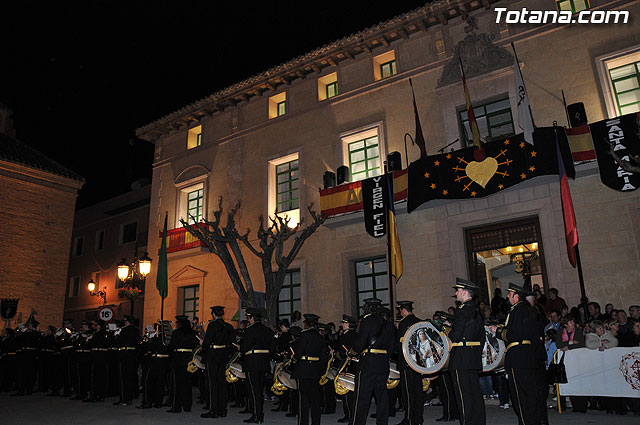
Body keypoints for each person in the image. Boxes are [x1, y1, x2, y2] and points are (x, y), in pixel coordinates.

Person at [491, 283, 537, 425]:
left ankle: (525, 422)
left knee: (519, 394)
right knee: (528, 393)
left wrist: (497, 331)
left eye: (510, 294)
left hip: (518, 355)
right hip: (526, 355)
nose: (507, 297)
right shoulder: (528, 310)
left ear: (516, 296)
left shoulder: (517, 310)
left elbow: (514, 334)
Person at [349, 297, 395, 425]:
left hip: (368, 362)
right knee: (382, 395)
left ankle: (357, 423)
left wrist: (351, 352)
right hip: (383, 363)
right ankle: (382, 422)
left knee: (362, 396)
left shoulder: (367, 321)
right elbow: (392, 346)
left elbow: (361, 342)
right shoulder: (388, 323)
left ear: (368, 308)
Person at [449, 278, 486, 425]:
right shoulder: (477, 311)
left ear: (464, 292)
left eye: (457, 290)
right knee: (475, 394)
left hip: (460, 358)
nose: (456, 293)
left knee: (463, 397)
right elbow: (482, 337)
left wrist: (447, 330)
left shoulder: (462, 311)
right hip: (473, 356)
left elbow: (456, 335)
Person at [291, 313, 329, 425]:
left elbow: (298, 353)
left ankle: (303, 423)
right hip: (315, 370)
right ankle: (316, 422)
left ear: (306, 323)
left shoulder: (304, 335)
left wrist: (294, 357)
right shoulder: (320, 337)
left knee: (303, 400)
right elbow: (324, 357)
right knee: (315, 400)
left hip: (303, 369)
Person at [239, 307, 275, 424]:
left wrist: (241, 348)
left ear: (252, 318)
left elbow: (244, 348)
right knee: (259, 389)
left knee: (253, 391)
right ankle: (260, 414)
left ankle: (257, 415)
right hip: (263, 362)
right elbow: (273, 348)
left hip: (252, 362)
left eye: (249, 318)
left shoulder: (249, 330)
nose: (248, 320)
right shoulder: (268, 330)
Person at [201, 306, 235, 418]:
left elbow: (207, 343)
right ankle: (223, 409)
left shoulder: (212, 325)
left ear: (214, 314)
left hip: (213, 356)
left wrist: (203, 343)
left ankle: (213, 410)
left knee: (212, 383)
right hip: (223, 356)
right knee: (222, 383)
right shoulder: (229, 326)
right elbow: (232, 343)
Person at [395, 300, 423, 425]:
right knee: (417, 390)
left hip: (406, 361)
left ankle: (410, 418)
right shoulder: (419, 321)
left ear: (403, 310)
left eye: (400, 310)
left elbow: (400, 344)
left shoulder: (404, 323)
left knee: (407, 391)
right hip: (418, 361)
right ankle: (419, 417)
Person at [167, 314, 199, 413]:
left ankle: (176, 407)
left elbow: (171, 346)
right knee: (187, 383)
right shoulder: (193, 333)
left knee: (177, 384)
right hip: (189, 359)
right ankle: (187, 406)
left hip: (178, 359)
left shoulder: (176, 333)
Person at [554, 315, 586, 412]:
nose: (573, 324)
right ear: (565, 324)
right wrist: (571, 342)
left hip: (576, 360)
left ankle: (580, 406)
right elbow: (558, 344)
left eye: (573, 322)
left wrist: (569, 347)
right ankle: (564, 405)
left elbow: (581, 344)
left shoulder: (578, 331)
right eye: (570, 322)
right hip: (565, 360)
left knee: (578, 382)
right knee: (565, 380)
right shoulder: (560, 332)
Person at [114, 314, 140, 406]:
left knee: (123, 378)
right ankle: (131, 396)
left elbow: (118, 342)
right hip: (132, 355)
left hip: (124, 354)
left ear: (127, 321)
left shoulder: (124, 330)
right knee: (131, 377)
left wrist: (116, 335)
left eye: (125, 321)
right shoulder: (137, 330)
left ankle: (124, 399)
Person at [336, 314, 358, 424]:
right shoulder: (356, 335)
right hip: (356, 364)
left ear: (348, 325)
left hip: (347, 363)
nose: (342, 325)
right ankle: (353, 413)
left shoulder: (345, 336)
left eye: (344, 323)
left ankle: (348, 414)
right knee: (354, 391)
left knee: (346, 389)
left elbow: (341, 353)